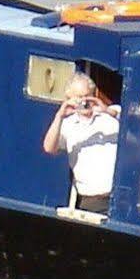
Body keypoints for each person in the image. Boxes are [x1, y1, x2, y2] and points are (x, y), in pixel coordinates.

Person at [43, 72, 120, 214]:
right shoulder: (67, 125)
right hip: (92, 201)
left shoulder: (110, 116)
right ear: (69, 99)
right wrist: (59, 116)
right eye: (79, 97)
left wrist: (106, 110)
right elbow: (49, 148)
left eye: (87, 96)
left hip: (119, 197)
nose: (84, 101)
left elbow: (134, 129)